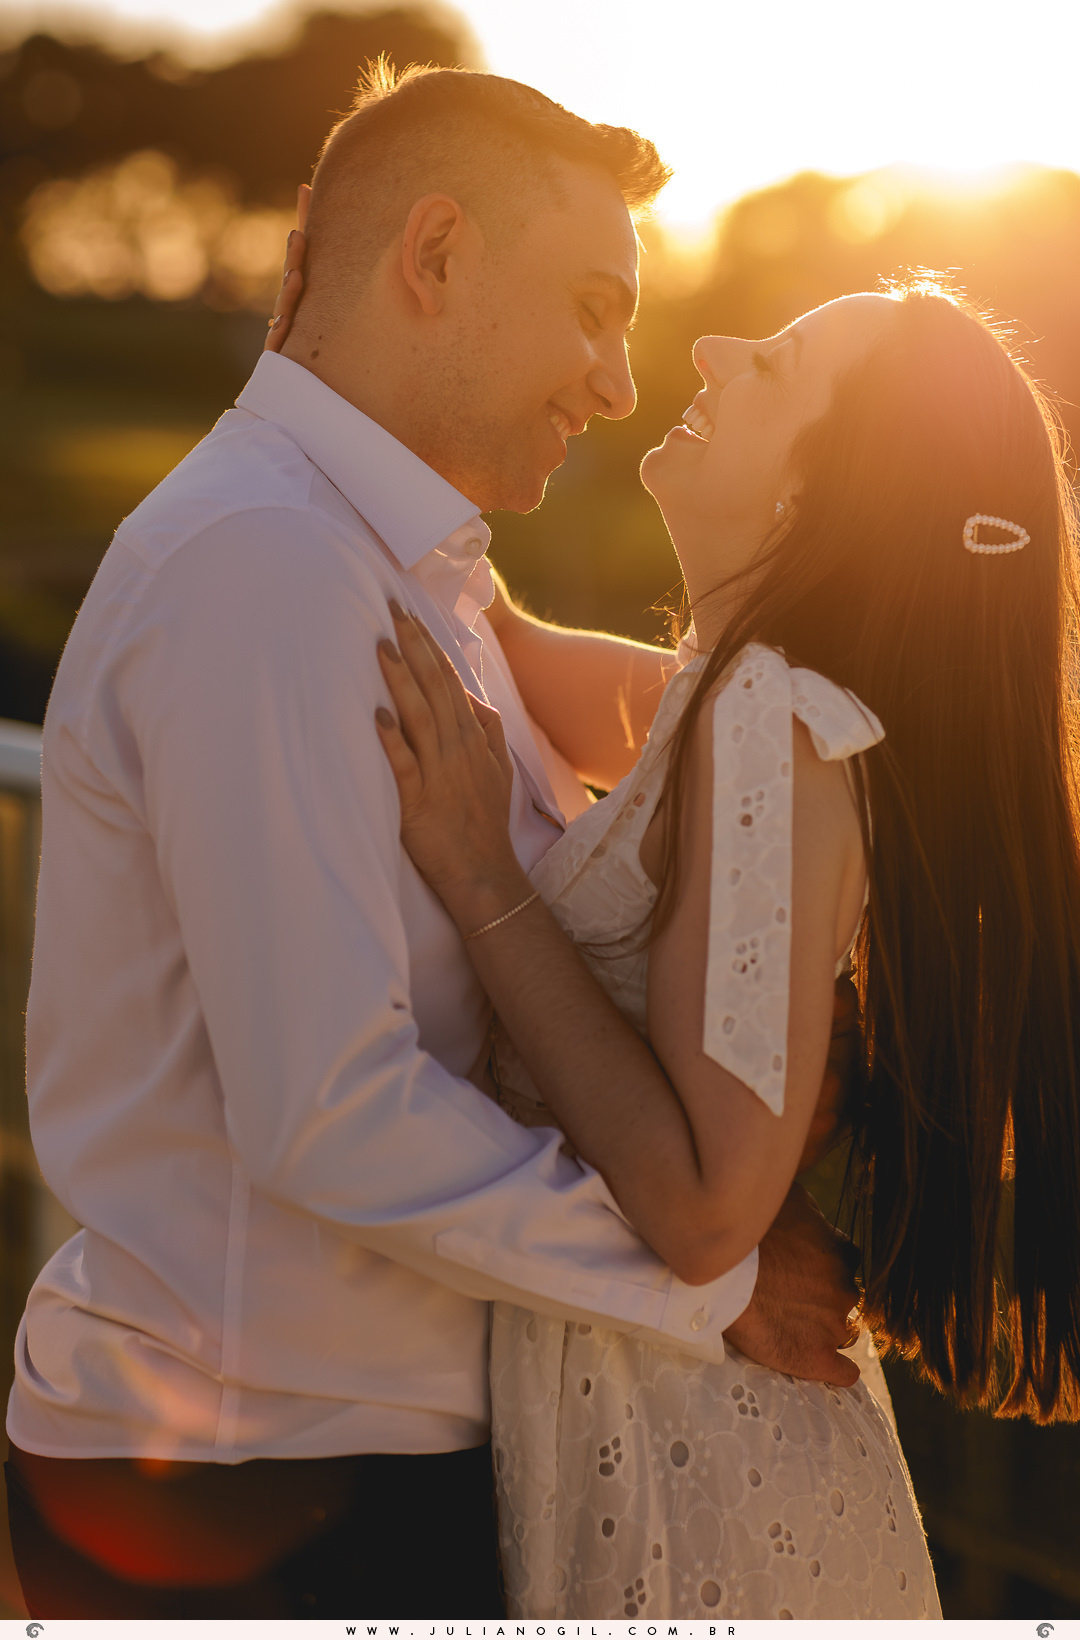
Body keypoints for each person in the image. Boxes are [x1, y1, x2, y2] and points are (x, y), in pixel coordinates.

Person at [3, 66, 862, 1619]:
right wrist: (711, 1278)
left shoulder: (416, 581)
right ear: (438, 256)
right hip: (247, 1499)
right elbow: (332, 1108)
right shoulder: (267, 573)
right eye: (594, 309)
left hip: (332, 1469)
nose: (616, 382)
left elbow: (674, 723)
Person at [374, 278, 1080, 1618]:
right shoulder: (730, 693)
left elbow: (705, 1213)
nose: (708, 349)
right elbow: (497, 638)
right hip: (693, 1438)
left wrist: (479, 876)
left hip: (696, 1488)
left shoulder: (774, 718)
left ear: (824, 499)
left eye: (770, 365)